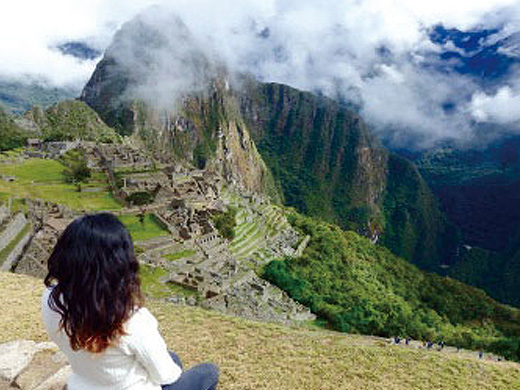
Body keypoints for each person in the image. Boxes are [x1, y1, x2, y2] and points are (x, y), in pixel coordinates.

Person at [41, 212, 219, 390]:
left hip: (85, 383)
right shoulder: (130, 320)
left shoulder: (51, 300)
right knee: (208, 372)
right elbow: (167, 376)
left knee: (173, 358)